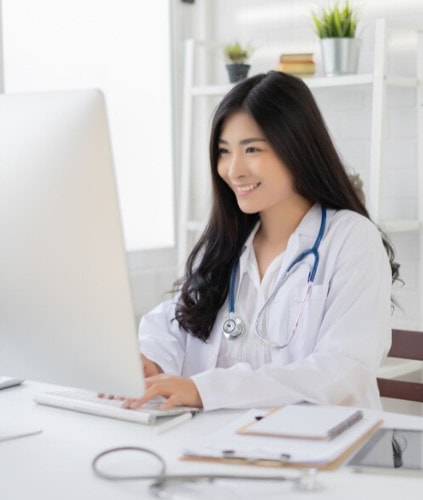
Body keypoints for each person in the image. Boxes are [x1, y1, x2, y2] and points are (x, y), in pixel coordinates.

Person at [130, 70, 400, 412]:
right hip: (224, 447)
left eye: (252, 149)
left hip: (322, 450)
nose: (233, 170)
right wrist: (153, 362)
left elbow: (342, 371)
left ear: (296, 148)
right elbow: (174, 323)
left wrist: (207, 390)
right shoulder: (224, 246)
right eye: (224, 151)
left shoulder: (351, 239)